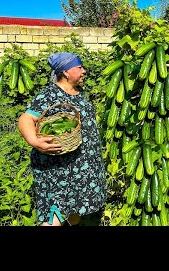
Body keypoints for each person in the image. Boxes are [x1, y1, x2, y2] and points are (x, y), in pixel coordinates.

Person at [18, 52, 107, 226]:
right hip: (59, 168)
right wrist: (34, 141)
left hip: (81, 166)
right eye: (79, 67)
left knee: (75, 207)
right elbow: (25, 118)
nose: (84, 71)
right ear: (66, 72)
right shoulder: (50, 95)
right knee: (55, 212)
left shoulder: (78, 92)